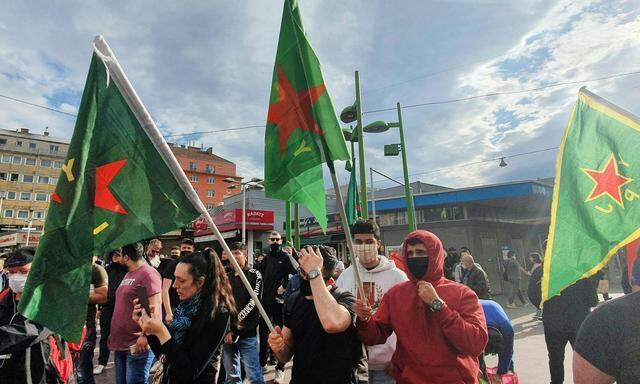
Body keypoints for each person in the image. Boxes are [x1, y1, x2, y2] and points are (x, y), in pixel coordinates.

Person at [355, 230, 488, 383]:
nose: (414, 257)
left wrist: (438, 305)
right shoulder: (396, 294)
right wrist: (364, 320)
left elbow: (475, 343)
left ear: (435, 255)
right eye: (410, 253)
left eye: (420, 252)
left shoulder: (462, 293)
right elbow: (375, 335)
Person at [134, 249, 236, 384]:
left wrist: (162, 332)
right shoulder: (184, 308)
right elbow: (164, 355)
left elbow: (188, 372)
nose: (174, 285)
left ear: (200, 282)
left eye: (181, 280)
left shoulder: (217, 313)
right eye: (174, 278)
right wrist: (149, 328)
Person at [268, 245, 364, 384]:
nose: (302, 275)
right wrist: (279, 348)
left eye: (308, 271)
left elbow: (332, 324)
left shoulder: (345, 298)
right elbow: (286, 355)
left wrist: (313, 272)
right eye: (301, 270)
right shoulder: (293, 300)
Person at [336, 219, 407, 383]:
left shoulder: (397, 277)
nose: (364, 246)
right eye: (359, 242)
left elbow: (405, 323)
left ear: (379, 244)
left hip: (388, 366)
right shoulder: (345, 276)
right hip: (353, 364)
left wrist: (400, 360)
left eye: (369, 241)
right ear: (352, 244)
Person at [0, 247, 75, 384]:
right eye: (11, 272)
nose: (16, 277)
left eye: (23, 272)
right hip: (8, 371)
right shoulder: (5, 297)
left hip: (43, 369)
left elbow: (33, 329)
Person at [573, 258, 640, 384]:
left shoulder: (609, 318)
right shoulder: (609, 319)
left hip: (569, 325)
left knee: (556, 359)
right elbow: (592, 300)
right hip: (581, 323)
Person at [108, 242, 162, 384]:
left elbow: (153, 309)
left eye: (120, 256)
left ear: (126, 257)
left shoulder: (147, 274)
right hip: (121, 344)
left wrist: (145, 336)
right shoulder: (130, 274)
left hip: (137, 344)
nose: (117, 260)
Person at [221, 242, 264, 384]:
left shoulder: (254, 275)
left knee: (254, 376)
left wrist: (234, 327)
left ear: (245, 254)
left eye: (237, 253)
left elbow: (253, 303)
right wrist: (227, 330)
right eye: (231, 253)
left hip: (247, 333)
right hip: (227, 336)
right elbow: (222, 304)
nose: (234, 256)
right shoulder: (225, 276)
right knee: (232, 377)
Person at [542, 277, 598, 384]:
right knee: (583, 357)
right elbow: (593, 300)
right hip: (579, 323)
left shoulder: (545, 271)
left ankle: (556, 381)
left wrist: (548, 305)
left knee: (555, 357)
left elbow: (533, 294)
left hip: (553, 322)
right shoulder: (581, 273)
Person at [258, 231, 296, 382]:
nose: (274, 242)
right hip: (265, 301)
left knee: (282, 334)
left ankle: (280, 368)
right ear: (268, 241)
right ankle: (262, 363)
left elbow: (297, 273)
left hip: (280, 303)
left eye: (277, 239)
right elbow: (259, 276)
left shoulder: (286, 258)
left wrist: (285, 287)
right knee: (263, 333)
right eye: (272, 239)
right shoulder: (266, 258)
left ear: (281, 241)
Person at [95, 248, 128, 375]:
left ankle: (121, 361)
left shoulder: (128, 270)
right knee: (105, 336)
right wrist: (99, 308)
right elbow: (100, 290)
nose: (116, 257)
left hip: (124, 308)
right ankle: (102, 362)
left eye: (118, 255)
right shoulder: (106, 270)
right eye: (114, 254)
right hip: (107, 307)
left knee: (123, 335)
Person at [76, 257, 108, 384]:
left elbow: (103, 297)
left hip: (85, 327)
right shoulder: (64, 267)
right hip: (63, 326)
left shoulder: (96, 270)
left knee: (83, 369)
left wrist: (76, 296)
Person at [162, 238, 196, 325]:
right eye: (184, 248)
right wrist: (169, 312)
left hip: (192, 308)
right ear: (180, 249)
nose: (186, 250)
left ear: (193, 250)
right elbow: (165, 289)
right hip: (175, 306)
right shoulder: (173, 264)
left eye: (189, 248)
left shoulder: (196, 265)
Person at [480, 299, 514, 375]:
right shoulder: (474, 328)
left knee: (507, 353)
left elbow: (508, 351)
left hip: (494, 309)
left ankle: (508, 371)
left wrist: (501, 374)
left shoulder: (507, 329)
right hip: (473, 307)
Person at [527, 253, 544, 320]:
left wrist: (528, 273)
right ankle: (539, 312)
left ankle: (540, 311)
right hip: (539, 283)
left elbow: (532, 274)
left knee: (534, 296)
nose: (530, 259)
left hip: (536, 284)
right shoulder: (541, 263)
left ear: (534, 258)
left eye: (531, 257)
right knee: (538, 297)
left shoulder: (536, 265)